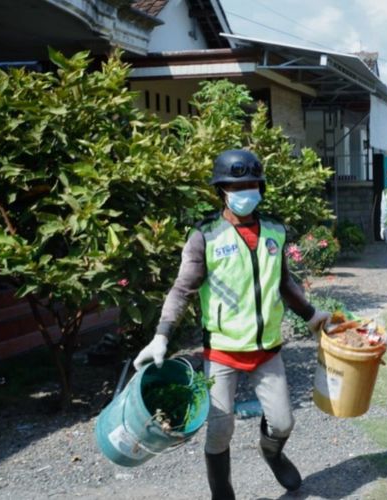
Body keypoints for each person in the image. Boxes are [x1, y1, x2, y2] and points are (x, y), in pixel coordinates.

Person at [133, 149, 331, 499]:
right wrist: (162, 336)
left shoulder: (274, 231)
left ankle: (272, 453)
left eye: (253, 184)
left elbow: (284, 283)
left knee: (283, 422)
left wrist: (311, 315)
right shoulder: (205, 236)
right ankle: (222, 490)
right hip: (222, 351)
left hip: (267, 349)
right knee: (219, 431)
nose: (246, 191)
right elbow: (182, 289)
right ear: (222, 189)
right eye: (237, 185)